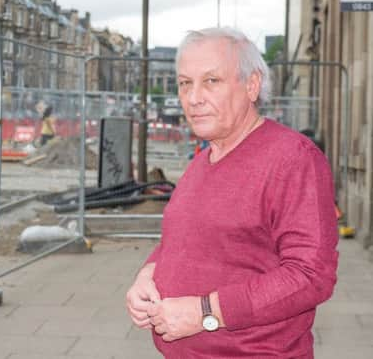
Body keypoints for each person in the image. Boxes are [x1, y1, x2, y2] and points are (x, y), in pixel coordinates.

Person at [125, 27, 338, 358]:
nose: (194, 97)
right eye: (185, 83)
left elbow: (311, 276)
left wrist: (206, 312)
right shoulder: (203, 160)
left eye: (212, 81)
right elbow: (184, 240)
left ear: (251, 85)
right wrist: (147, 275)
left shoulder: (293, 159)